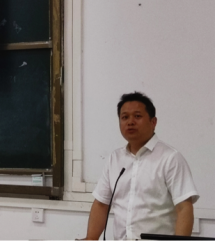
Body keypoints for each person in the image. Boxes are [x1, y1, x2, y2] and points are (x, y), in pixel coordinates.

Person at [83, 92, 199, 241]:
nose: (130, 122)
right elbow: (101, 204)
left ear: (153, 122)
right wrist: (90, 238)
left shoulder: (170, 158)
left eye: (137, 116)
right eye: (125, 117)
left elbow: (184, 208)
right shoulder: (115, 159)